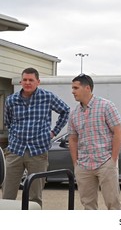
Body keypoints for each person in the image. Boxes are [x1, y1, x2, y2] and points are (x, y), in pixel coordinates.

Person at [2, 67, 70, 207]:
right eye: (25, 80)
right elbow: (8, 122)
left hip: (38, 152)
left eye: (31, 80)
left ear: (38, 82)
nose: (27, 82)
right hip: (15, 151)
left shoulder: (47, 97)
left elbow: (65, 110)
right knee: (7, 194)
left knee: (35, 195)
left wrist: (53, 132)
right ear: (21, 81)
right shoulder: (11, 100)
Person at [68, 74, 121, 210]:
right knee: (88, 206)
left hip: (105, 163)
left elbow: (118, 132)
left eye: (76, 88)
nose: (72, 91)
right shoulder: (74, 114)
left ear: (87, 88)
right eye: (72, 88)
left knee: (113, 204)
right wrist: (76, 164)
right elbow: (73, 139)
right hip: (84, 166)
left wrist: (113, 160)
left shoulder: (106, 106)